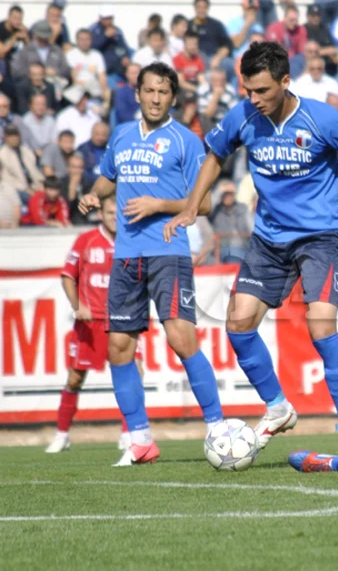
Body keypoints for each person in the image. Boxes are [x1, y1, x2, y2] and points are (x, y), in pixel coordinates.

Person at [163, 42, 338, 454]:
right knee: (237, 325)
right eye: (248, 91)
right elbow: (214, 156)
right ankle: (278, 408)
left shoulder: (321, 117)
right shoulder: (243, 115)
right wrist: (189, 208)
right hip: (268, 240)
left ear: (285, 82)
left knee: (321, 326)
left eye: (262, 91)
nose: (253, 100)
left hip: (319, 239)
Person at [78, 62, 223, 467]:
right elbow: (108, 179)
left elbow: (205, 203)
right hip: (126, 256)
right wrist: (93, 195)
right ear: (137, 94)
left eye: (163, 92)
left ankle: (217, 428)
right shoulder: (122, 136)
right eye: (149, 91)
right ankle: (140, 439)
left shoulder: (186, 141)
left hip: (168, 252)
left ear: (172, 98)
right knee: (119, 347)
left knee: (181, 339)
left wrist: (160, 205)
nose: (156, 98)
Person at [45, 197, 134, 453]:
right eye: (109, 212)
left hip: (122, 321)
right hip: (91, 322)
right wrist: (77, 306)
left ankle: (129, 433)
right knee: (75, 379)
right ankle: (62, 434)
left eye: (118, 213)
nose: (113, 217)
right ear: (100, 214)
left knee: (133, 374)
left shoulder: (132, 241)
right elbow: (67, 277)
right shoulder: (86, 241)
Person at [0, 123, 43, 202]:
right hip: (18, 189)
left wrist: (40, 183)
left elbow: (34, 170)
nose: (13, 138)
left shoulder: (26, 150)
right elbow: (6, 179)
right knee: (31, 199)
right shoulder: (2, 154)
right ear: (5, 138)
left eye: (15, 135)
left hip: (33, 185)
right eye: (10, 136)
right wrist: (25, 188)